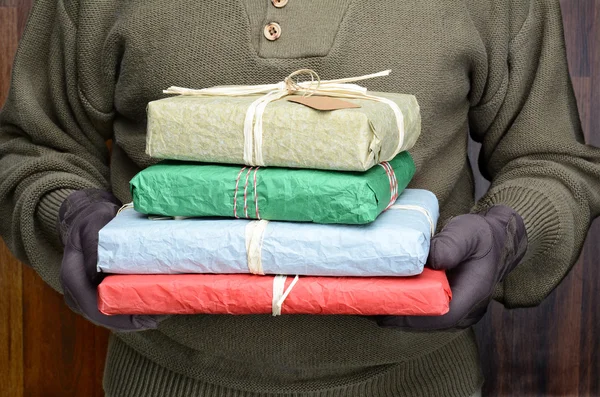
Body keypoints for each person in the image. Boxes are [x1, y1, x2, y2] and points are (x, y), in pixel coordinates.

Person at [1, 0, 598, 396]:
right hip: (161, 375)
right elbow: (34, 145)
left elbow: (549, 159)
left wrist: (512, 232)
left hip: (421, 380)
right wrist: (66, 212)